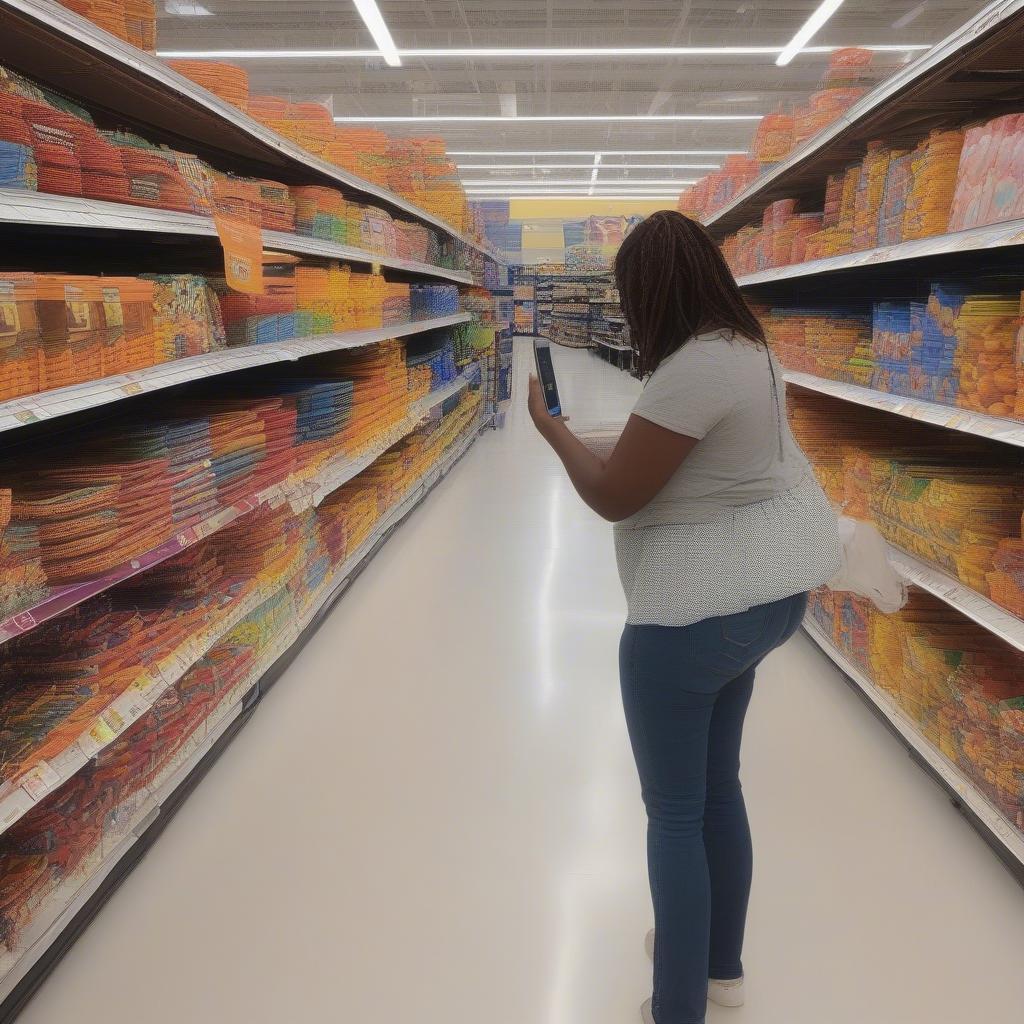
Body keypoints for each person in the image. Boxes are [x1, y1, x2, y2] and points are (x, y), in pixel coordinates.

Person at [527, 210, 841, 1024]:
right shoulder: (747, 350)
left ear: (650, 291)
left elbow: (614, 495)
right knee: (716, 790)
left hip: (692, 619)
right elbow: (701, 462)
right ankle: (719, 969)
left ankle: (677, 1007)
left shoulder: (692, 370)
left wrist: (553, 431)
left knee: (672, 812)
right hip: (760, 603)